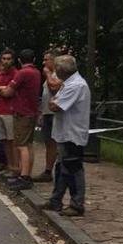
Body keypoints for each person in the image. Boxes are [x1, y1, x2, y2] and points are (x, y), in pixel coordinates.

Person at [42, 55, 91, 217]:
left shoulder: (75, 85)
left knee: (73, 168)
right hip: (64, 132)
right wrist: (54, 101)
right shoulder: (69, 83)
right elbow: (54, 101)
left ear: (62, 70)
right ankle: (56, 199)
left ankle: (77, 204)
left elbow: (56, 106)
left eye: (57, 69)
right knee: (62, 168)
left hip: (72, 133)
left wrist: (54, 101)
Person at [0, 49, 42, 191]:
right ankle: (27, 173)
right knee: (28, 145)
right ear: (34, 59)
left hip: (22, 112)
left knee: (21, 145)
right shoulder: (36, 72)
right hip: (32, 111)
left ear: (19, 61)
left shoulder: (23, 73)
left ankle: (24, 177)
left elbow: (8, 91)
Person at [0, 49, 20, 177]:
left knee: (12, 141)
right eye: (4, 58)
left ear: (13, 60)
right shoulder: (0, 75)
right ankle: (9, 165)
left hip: (10, 111)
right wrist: (0, 89)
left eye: (8, 59)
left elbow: (9, 92)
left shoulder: (16, 74)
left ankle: (16, 168)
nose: (6, 61)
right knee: (4, 141)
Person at [34, 48, 63, 183]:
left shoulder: (60, 74)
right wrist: (41, 112)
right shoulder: (50, 74)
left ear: (54, 60)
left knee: (55, 143)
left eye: (46, 60)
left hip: (55, 114)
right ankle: (48, 170)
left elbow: (54, 88)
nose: (44, 62)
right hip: (47, 113)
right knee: (49, 143)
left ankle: (58, 169)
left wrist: (47, 73)